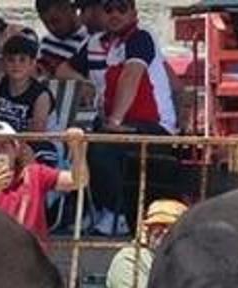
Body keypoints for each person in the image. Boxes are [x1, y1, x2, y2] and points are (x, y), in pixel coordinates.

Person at [66, 0, 175, 235]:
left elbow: (132, 75)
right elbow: (62, 69)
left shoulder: (141, 38)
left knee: (102, 146)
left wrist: (114, 121)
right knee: (78, 143)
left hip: (155, 126)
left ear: (133, 12)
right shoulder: (100, 44)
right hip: (126, 124)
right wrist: (83, 82)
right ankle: (92, 209)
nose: (115, 14)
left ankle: (117, 214)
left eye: (121, 8)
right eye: (108, 9)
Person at [0, 120, 87, 248]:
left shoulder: (35, 174)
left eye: (4, 146)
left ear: (16, 150)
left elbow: (78, 181)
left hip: (32, 259)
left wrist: (78, 150)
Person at [0, 35, 57, 163]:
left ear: (32, 63)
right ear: (3, 62)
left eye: (22, 60)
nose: (16, 65)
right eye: (11, 60)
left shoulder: (41, 95)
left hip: (30, 144)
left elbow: (36, 134)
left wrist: (9, 139)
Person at [105, 198, 185, 288]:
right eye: (160, 225)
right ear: (147, 229)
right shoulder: (131, 258)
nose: (166, 231)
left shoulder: (185, 260)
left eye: (173, 227)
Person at [36, 0, 89, 76]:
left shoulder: (87, 42)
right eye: (46, 23)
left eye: (56, 21)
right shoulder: (46, 41)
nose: (52, 28)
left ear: (72, 11)